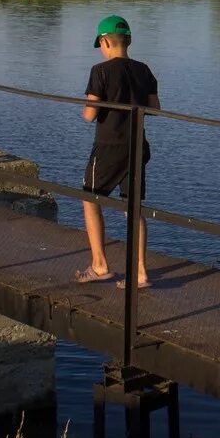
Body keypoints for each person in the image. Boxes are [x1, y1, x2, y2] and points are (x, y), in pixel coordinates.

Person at [75, 14, 159, 289]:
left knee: (89, 198)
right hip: (137, 145)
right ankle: (141, 273)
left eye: (100, 44)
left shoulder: (100, 71)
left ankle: (100, 265)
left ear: (105, 41)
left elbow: (90, 114)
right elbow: (155, 109)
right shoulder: (144, 69)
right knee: (133, 208)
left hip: (109, 145)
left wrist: (89, 106)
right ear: (129, 41)